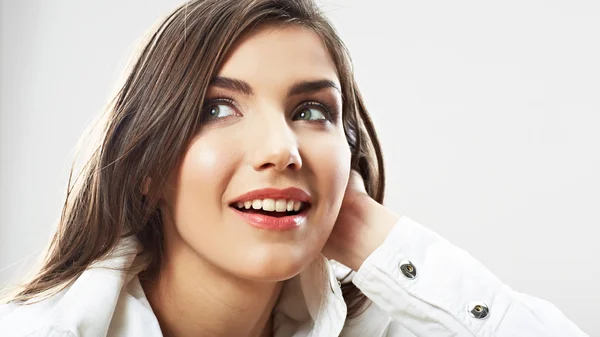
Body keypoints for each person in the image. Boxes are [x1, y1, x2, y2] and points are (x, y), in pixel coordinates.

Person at [0, 0, 589, 336]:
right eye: (217, 108)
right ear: (148, 163)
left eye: (312, 111)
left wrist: (373, 236)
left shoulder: (388, 325)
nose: (283, 151)